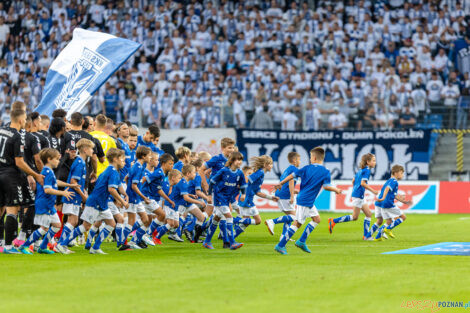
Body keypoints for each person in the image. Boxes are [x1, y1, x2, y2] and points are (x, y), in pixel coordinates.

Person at [273, 147, 343, 255]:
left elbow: (292, 175)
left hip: (306, 199)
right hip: (305, 200)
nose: (310, 158)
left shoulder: (306, 168)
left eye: (310, 156)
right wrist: (336, 189)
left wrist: (281, 183)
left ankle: (301, 241)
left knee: (316, 219)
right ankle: (280, 245)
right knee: (298, 223)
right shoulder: (325, 172)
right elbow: (326, 187)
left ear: (314, 158)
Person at [62, 148, 129, 254]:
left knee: (111, 224)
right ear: (115, 159)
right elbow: (111, 189)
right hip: (95, 202)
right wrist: (123, 201)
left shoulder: (111, 170)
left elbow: (118, 186)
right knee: (86, 226)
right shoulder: (112, 172)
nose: (123, 162)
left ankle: (95, 247)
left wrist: (125, 195)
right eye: (122, 159)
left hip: (102, 203)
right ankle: (62, 244)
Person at [0, 106, 44, 254]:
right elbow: (19, 162)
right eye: (25, 119)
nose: (26, 121)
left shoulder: (1, 130)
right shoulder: (17, 136)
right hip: (10, 176)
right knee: (13, 210)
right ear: (20, 120)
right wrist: (35, 174)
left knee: (1, 211)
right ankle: (8, 247)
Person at [19, 148, 76, 254]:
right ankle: (24, 246)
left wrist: (69, 185)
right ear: (49, 159)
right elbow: (47, 189)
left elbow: (55, 182)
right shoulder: (47, 171)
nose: (59, 161)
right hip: (44, 203)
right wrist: (63, 193)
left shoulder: (48, 171)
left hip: (49, 204)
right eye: (57, 159)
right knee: (44, 228)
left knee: (57, 226)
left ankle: (43, 247)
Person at [56, 139, 95, 254]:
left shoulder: (81, 162)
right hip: (72, 195)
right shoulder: (79, 163)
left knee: (74, 220)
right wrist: (83, 196)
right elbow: (73, 181)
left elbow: (78, 182)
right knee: (73, 221)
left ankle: (62, 244)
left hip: (75, 195)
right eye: (91, 148)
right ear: (84, 149)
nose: (93, 151)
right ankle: (61, 244)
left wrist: (84, 192)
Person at [328, 153, 378, 240]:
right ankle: (333, 221)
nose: (375, 162)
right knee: (355, 217)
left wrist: (356, 188)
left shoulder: (360, 170)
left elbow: (353, 181)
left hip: (358, 194)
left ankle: (366, 236)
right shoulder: (367, 170)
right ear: (368, 162)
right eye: (373, 160)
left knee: (369, 214)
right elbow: (363, 183)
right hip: (358, 195)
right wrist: (373, 191)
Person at [203, 152, 247, 250]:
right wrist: (209, 195)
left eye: (241, 160)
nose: (240, 162)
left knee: (217, 218)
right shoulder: (224, 171)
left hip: (228, 198)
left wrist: (243, 194)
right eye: (238, 160)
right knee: (229, 216)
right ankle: (232, 242)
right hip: (219, 197)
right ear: (232, 160)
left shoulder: (239, 173)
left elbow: (243, 184)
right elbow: (212, 181)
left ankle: (206, 241)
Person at [235, 156, 278, 238]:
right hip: (247, 199)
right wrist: (241, 190)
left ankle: (231, 237)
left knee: (246, 222)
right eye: (271, 164)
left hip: (246, 198)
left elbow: (257, 192)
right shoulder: (260, 173)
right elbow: (247, 179)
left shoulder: (261, 174)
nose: (272, 166)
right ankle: (232, 220)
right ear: (266, 164)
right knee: (258, 221)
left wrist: (271, 198)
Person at [372, 165, 412, 241]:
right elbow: (387, 189)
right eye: (401, 173)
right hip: (388, 204)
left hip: (383, 204)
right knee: (403, 217)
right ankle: (388, 229)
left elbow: (394, 195)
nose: (402, 175)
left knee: (389, 221)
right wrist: (383, 198)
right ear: (396, 173)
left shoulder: (389, 180)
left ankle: (377, 237)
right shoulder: (394, 181)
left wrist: (404, 201)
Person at [265, 151, 300, 238]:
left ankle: (284, 236)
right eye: (299, 160)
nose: (300, 162)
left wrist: (295, 192)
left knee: (289, 216)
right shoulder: (294, 169)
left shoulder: (287, 169)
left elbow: (286, 184)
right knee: (295, 217)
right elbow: (291, 182)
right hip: (285, 196)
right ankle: (272, 221)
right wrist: (292, 196)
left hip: (282, 194)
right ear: (295, 160)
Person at [141, 152, 174, 244]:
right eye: (170, 164)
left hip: (151, 198)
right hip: (148, 198)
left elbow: (159, 190)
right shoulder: (158, 173)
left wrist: (169, 200)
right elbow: (144, 179)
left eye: (172, 164)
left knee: (147, 221)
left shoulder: (162, 174)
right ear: (163, 164)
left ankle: (137, 239)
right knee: (162, 215)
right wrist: (142, 194)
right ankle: (147, 235)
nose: (172, 166)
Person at [124, 146, 152, 249]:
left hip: (136, 197)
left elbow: (126, 178)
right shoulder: (138, 167)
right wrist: (144, 197)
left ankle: (134, 241)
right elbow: (134, 186)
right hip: (133, 198)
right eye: (149, 156)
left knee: (146, 220)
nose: (150, 158)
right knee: (131, 221)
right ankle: (123, 241)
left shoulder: (139, 165)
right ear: (143, 156)